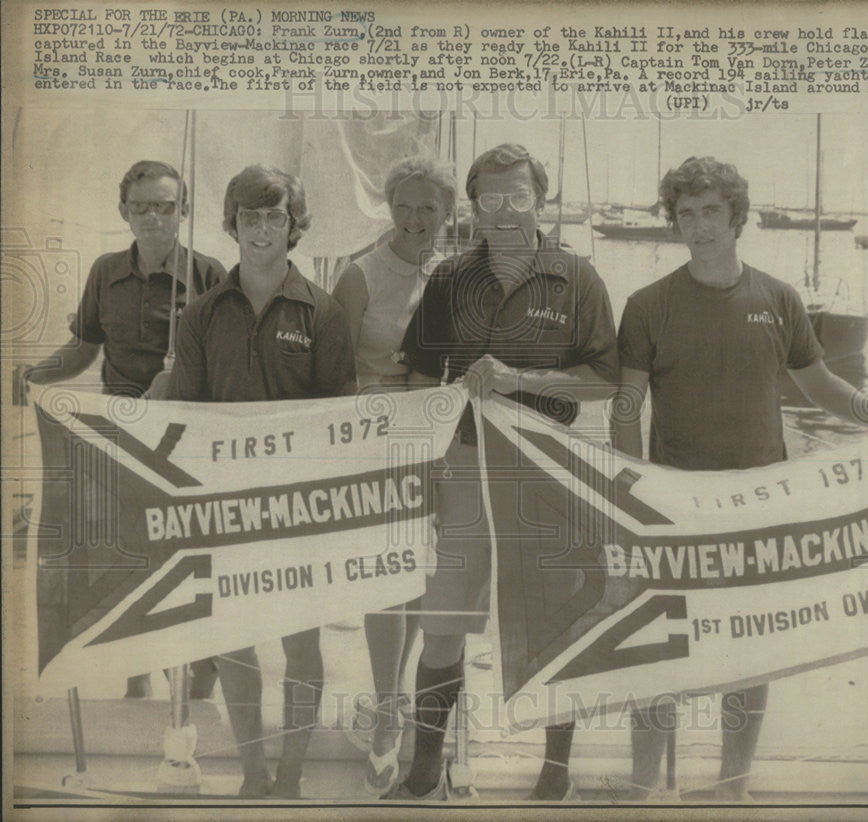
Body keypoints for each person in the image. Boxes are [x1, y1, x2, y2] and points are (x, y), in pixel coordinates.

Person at [612, 156, 868, 801]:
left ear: (737, 217)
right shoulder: (647, 305)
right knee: (658, 648)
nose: (699, 226)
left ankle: (732, 783)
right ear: (673, 223)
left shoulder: (780, 299)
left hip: (757, 504)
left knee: (747, 650)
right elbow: (627, 407)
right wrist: (629, 493)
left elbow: (821, 388)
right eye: (685, 214)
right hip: (673, 503)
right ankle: (643, 782)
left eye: (711, 212)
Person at [382, 143, 619, 801]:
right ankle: (425, 763)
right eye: (491, 196)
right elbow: (423, 383)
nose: (505, 209)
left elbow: (604, 382)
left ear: (541, 200)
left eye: (519, 194)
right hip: (461, 468)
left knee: (551, 621)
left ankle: (556, 768)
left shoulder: (578, 278)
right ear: (475, 206)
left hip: (545, 474)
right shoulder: (451, 278)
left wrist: (519, 380)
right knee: (444, 618)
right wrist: (423, 470)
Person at [167, 165, 355, 798]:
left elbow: (341, 423)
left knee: (301, 644)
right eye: (250, 216)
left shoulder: (323, 313)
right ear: (233, 223)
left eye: (276, 216)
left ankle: (293, 774)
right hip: (226, 506)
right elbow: (185, 420)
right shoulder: (199, 316)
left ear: (293, 226)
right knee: (233, 643)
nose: (262, 228)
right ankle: (252, 774)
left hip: (299, 508)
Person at [20, 159, 226, 700]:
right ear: (124, 212)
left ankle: (199, 686)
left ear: (182, 211)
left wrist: (177, 378)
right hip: (119, 439)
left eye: (165, 206)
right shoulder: (104, 272)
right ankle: (138, 687)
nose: (154, 217)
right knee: (132, 564)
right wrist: (35, 375)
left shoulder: (209, 275)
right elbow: (84, 349)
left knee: (190, 570)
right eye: (142, 207)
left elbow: (227, 362)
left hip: (187, 443)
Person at [331, 155, 457, 795]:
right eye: (404, 205)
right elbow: (335, 370)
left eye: (428, 208)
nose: (415, 219)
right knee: (385, 574)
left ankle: (399, 700)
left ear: (447, 214)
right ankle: (386, 715)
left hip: (435, 433)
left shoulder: (455, 272)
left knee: (417, 575)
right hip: (372, 437)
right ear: (389, 206)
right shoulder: (358, 273)